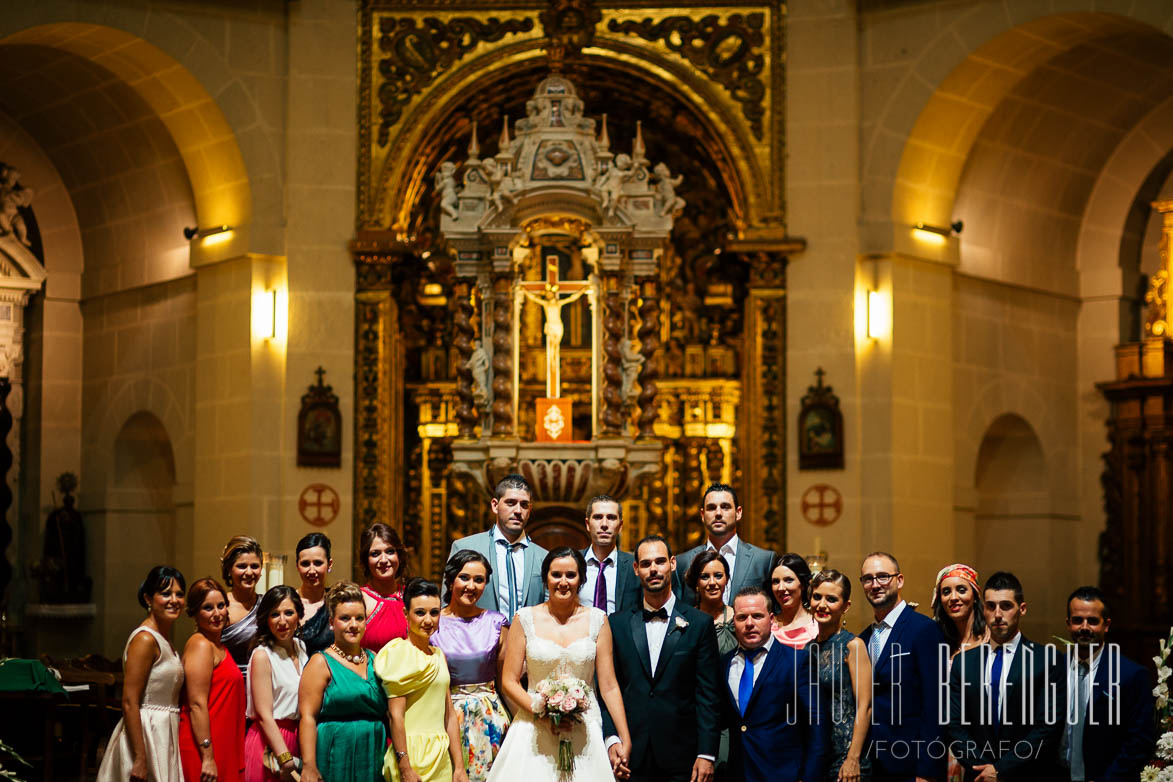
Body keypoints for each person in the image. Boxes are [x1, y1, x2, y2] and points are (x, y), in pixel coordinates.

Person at [484, 547, 632, 781]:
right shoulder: (524, 618)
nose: (563, 582)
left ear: (581, 579)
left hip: (584, 726)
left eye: (571, 575)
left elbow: (609, 685)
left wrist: (625, 737)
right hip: (533, 727)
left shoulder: (598, 620)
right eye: (556, 575)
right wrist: (541, 710)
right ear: (545, 579)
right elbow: (509, 681)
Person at [601, 535, 721, 782]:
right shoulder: (617, 624)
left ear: (673, 564)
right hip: (629, 755)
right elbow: (608, 688)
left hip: (684, 757)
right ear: (636, 569)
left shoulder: (699, 624)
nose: (653, 569)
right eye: (645, 564)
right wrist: (612, 739)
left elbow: (708, 695)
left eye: (659, 561)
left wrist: (707, 753)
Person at [945, 571, 1063, 781]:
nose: (997, 614)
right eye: (991, 606)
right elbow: (955, 725)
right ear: (983, 608)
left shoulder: (1046, 660)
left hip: (1028, 775)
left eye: (1006, 606)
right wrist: (981, 768)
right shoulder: (964, 663)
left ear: (1022, 609)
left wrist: (1001, 770)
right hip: (977, 776)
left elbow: (1047, 728)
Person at [721, 586, 828, 782]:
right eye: (742, 617)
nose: (750, 623)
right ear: (733, 621)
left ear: (771, 620)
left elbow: (817, 725)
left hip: (784, 775)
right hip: (737, 774)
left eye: (757, 616)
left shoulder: (797, 661)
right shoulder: (725, 663)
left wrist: (808, 777)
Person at [857, 552, 945, 782]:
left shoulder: (923, 630)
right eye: (868, 578)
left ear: (900, 580)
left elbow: (935, 704)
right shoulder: (863, 638)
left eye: (883, 576)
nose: (875, 584)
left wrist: (927, 770)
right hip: (871, 764)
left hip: (910, 764)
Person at [97, 566, 187, 782]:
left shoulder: (164, 639)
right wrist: (139, 756)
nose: (174, 600)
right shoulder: (145, 639)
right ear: (148, 598)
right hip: (147, 732)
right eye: (166, 593)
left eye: (179, 594)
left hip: (165, 732)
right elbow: (129, 701)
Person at [376, 579, 470, 782]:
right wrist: (405, 766)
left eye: (434, 613)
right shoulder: (398, 652)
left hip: (441, 755)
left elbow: (449, 715)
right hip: (411, 754)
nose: (428, 620)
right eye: (420, 613)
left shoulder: (439, 655)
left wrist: (459, 767)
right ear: (405, 614)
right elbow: (395, 715)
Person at [1062, 586, 1154, 782]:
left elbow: (1139, 742)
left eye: (1093, 621)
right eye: (1078, 620)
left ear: (1106, 625)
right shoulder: (1054, 670)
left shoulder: (1131, 675)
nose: (1084, 627)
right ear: (1068, 624)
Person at [298, 582, 387, 782]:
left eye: (359, 618)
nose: (353, 625)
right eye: (345, 618)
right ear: (332, 622)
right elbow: (307, 718)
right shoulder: (320, 662)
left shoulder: (375, 659)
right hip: (336, 752)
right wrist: (309, 766)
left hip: (373, 751)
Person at [432, 551, 510, 782]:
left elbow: (506, 682)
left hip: (490, 721)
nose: (471, 586)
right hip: (444, 716)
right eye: (464, 578)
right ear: (451, 579)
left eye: (479, 580)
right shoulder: (433, 622)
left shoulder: (496, 622)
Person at [447, 474, 548, 617]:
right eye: (511, 503)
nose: (518, 511)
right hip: (476, 637)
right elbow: (447, 606)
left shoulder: (544, 557)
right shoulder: (464, 547)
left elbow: (550, 611)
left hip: (529, 638)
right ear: (495, 505)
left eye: (524, 505)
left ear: (529, 510)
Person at [178, 578, 246, 782]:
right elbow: (197, 704)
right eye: (208, 608)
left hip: (222, 743)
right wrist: (207, 757)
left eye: (221, 605)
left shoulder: (219, 645)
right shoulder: (200, 644)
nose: (217, 614)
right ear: (195, 613)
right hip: (204, 748)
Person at [809, 570, 872, 782]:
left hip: (847, 758)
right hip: (818, 756)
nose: (822, 604)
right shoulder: (808, 650)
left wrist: (853, 758)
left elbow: (865, 706)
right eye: (817, 596)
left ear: (846, 606)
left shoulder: (853, 646)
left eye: (831, 599)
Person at [931, 563, 989, 782]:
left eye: (961, 590)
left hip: (978, 743)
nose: (953, 597)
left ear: (975, 595)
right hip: (940, 744)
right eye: (946, 592)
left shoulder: (990, 640)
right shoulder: (937, 642)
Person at [245, 586, 308, 782]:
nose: (282, 621)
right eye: (275, 615)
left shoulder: (301, 647)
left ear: (299, 615)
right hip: (270, 742)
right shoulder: (263, 655)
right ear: (266, 619)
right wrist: (284, 757)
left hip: (297, 736)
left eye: (288, 613)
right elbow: (264, 715)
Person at [675, 483, 773, 605]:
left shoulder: (763, 560)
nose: (718, 513)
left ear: (738, 513)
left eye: (725, 507)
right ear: (702, 515)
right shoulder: (683, 562)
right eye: (711, 508)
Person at [578, 494, 641, 615]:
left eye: (611, 517)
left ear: (620, 526)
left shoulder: (634, 566)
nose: (604, 524)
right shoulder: (573, 562)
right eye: (598, 517)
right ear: (587, 524)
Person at [358, 523, 409, 652]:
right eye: (375, 554)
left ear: (399, 556)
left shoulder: (412, 596)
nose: (384, 560)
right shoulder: (358, 599)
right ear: (366, 560)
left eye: (390, 551)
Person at [221, 536, 264, 678]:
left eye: (254, 566)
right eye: (242, 566)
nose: (249, 572)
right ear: (229, 569)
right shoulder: (221, 606)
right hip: (229, 685)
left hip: (262, 684)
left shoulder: (266, 605)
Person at [685, 550, 736, 654]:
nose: (712, 582)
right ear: (696, 582)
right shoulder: (686, 620)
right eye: (705, 577)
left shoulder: (738, 618)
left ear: (727, 579)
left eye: (718, 576)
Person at [294, 533, 335, 656]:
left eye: (318, 563)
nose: (312, 571)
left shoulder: (337, 602)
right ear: (297, 566)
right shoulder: (287, 602)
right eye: (305, 564)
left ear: (330, 564)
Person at [768, 552, 818, 648]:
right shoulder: (767, 625)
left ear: (803, 584)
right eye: (776, 581)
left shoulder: (817, 626)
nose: (781, 588)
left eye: (788, 580)